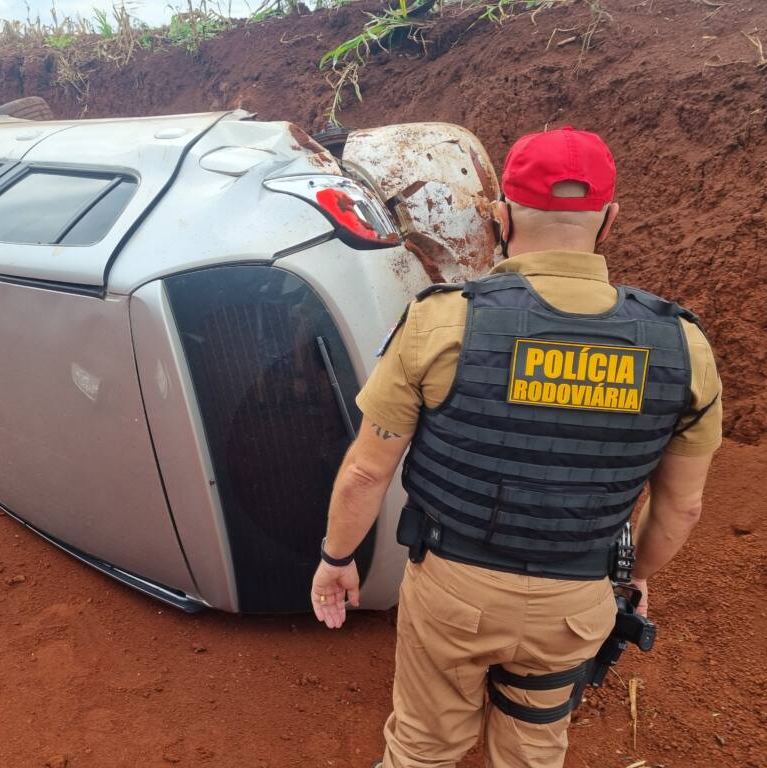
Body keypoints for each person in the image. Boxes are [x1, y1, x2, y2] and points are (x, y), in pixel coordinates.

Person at [309, 126, 722, 767]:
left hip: (453, 587)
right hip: (576, 601)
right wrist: (633, 577)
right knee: (534, 747)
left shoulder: (443, 320)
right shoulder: (682, 347)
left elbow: (367, 471)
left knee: (422, 745)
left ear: (500, 217)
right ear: (609, 222)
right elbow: (682, 508)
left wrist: (338, 557)